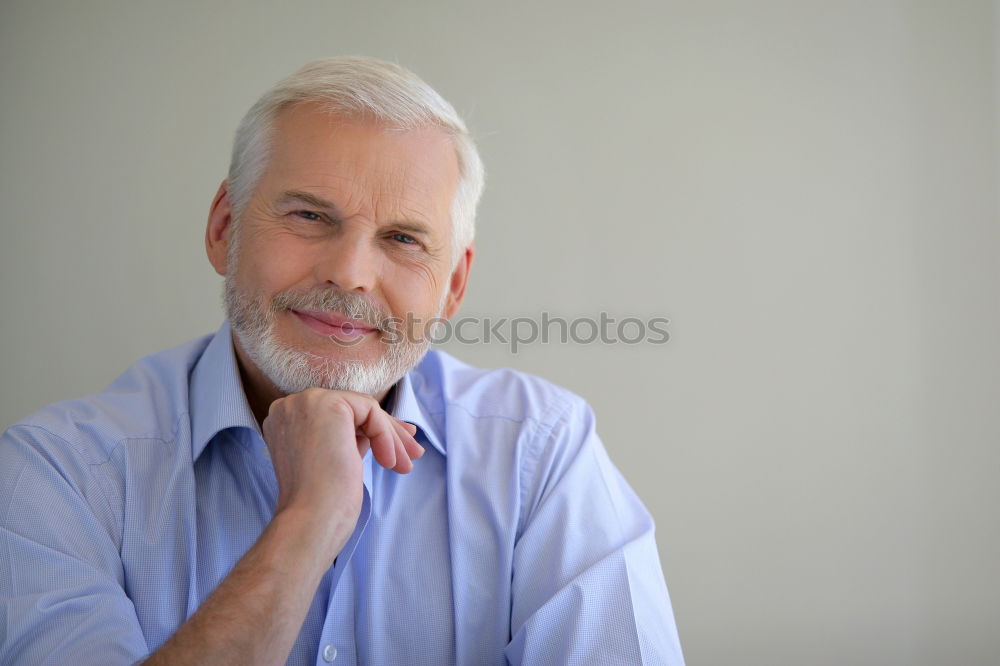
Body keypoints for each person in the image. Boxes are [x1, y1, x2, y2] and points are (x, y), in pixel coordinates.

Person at [0, 56, 684, 665]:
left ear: (453, 286)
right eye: (308, 217)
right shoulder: (58, 475)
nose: (350, 272)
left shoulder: (541, 456)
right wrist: (309, 520)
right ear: (224, 229)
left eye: (404, 238)